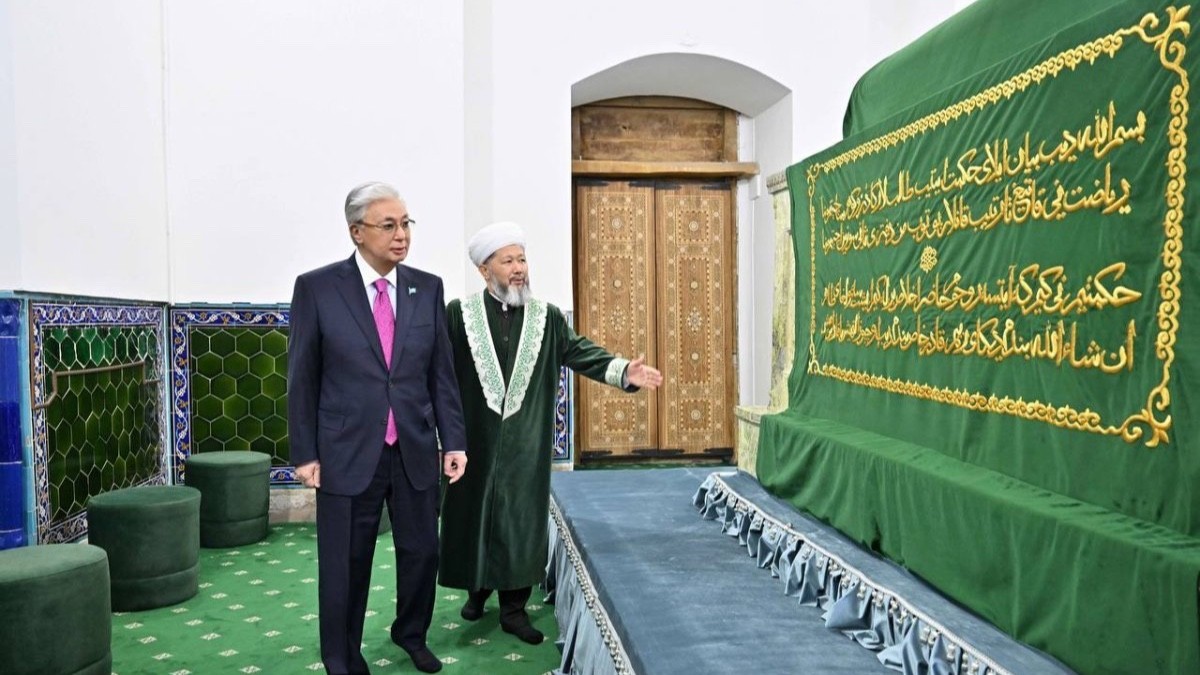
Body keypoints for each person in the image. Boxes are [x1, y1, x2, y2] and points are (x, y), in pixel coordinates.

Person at [438, 221, 663, 645]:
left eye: (522, 259)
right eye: (508, 261)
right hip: (472, 442)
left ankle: (514, 609)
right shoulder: (458, 314)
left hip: (526, 443)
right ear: (484, 270)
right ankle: (476, 590)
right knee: (471, 514)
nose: (518, 268)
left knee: (520, 520)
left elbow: (580, 352)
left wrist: (623, 372)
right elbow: (437, 373)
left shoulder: (547, 318)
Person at [287, 182, 468, 675]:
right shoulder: (318, 288)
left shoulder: (427, 288)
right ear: (356, 232)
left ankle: (411, 633)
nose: (401, 234)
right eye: (388, 225)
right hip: (345, 451)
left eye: (406, 223)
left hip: (413, 447)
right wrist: (305, 453)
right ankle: (342, 656)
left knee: (422, 553)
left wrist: (453, 440)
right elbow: (302, 377)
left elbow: (441, 374)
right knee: (346, 562)